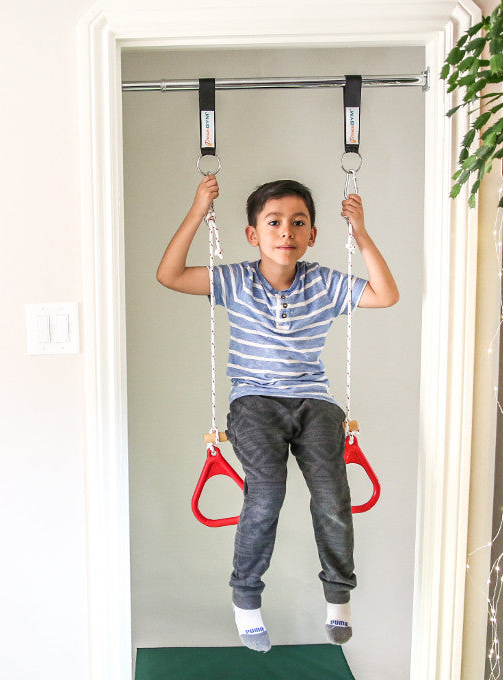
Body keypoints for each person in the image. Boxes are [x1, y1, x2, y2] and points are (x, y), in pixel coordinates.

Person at [156, 175, 398, 652]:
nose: (286, 231)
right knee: (266, 492)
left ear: (312, 235)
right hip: (254, 403)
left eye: (298, 222)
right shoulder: (233, 280)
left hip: (316, 404)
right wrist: (198, 209)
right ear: (253, 234)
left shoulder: (324, 283)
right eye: (274, 222)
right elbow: (169, 274)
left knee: (331, 496)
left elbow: (386, 295)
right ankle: (246, 600)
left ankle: (337, 600)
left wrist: (363, 234)